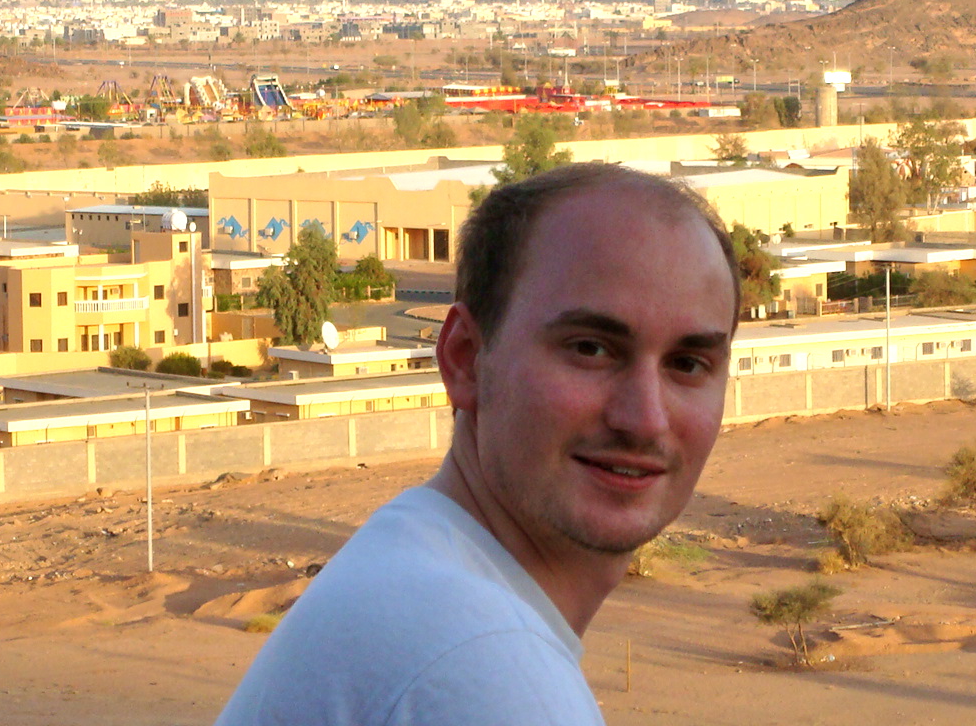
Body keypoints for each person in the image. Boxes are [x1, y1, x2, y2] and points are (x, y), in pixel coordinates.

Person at [216, 163, 740, 725]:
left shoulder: (416, 576)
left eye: (688, 364)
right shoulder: (481, 665)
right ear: (465, 358)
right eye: (590, 349)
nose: (645, 419)